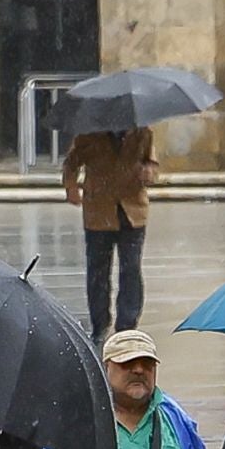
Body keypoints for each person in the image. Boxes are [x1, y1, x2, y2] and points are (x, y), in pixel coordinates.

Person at [45, 331, 211, 449]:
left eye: (147, 363)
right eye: (127, 363)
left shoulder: (178, 423)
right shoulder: (74, 425)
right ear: (105, 367)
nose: (138, 370)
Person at [62, 125, 159, 344]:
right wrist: (71, 186)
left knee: (131, 268)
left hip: (132, 210)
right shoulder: (89, 132)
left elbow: (151, 162)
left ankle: (127, 324)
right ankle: (100, 324)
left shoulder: (142, 131)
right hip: (99, 210)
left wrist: (149, 172)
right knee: (98, 270)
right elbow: (71, 162)